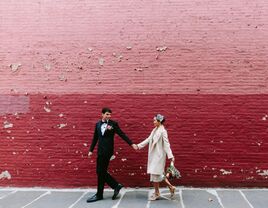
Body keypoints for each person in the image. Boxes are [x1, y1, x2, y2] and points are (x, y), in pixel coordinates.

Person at [87, 107, 138, 203]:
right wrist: (91, 150)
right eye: (107, 114)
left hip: (107, 151)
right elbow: (95, 138)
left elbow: (122, 134)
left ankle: (102, 193)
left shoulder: (113, 124)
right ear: (102, 114)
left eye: (110, 114)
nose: (109, 116)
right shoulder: (97, 124)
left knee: (100, 171)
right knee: (100, 172)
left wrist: (131, 144)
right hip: (100, 151)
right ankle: (113, 187)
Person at [137, 114, 176, 200]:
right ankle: (170, 187)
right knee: (158, 174)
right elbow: (148, 139)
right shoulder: (155, 130)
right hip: (154, 155)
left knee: (155, 174)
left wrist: (170, 156)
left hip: (159, 156)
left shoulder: (163, 131)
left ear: (159, 121)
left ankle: (157, 193)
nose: (153, 122)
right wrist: (139, 146)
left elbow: (166, 144)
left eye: (155, 120)